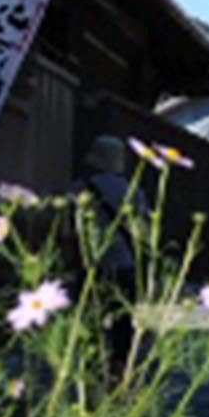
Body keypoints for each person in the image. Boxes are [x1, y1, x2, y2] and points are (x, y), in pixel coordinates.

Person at [74, 134, 144, 374]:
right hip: (124, 262)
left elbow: (67, 225)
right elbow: (141, 226)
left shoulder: (80, 187)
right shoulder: (132, 190)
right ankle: (120, 363)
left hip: (90, 261)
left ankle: (92, 361)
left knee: (90, 316)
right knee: (123, 318)